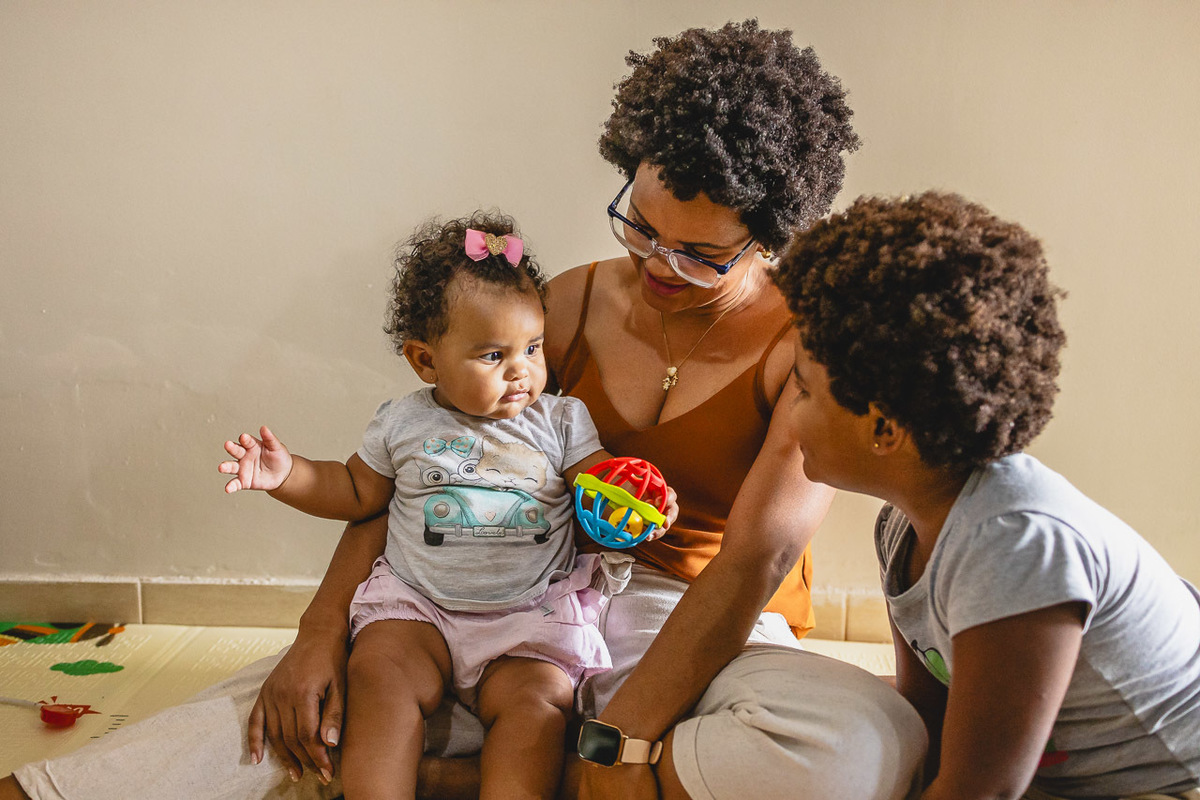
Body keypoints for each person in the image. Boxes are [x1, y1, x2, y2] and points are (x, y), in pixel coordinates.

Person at [4, 20, 926, 800]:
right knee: (299, 695)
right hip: (509, 585)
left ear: (767, 237)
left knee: (866, 737)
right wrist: (318, 631)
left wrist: (628, 738)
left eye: (698, 256)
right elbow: (421, 471)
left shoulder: (807, 345)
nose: (656, 265)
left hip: (687, 608)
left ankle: (486, 755)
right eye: (640, 225)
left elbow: (752, 564)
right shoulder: (560, 307)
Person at [217, 212, 676, 799]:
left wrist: (638, 498)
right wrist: (288, 476)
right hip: (419, 608)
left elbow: (599, 483)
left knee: (539, 706)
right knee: (377, 676)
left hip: (527, 618)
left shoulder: (561, 420)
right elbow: (356, 492)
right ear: (425, 360)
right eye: (492, 355)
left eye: (532, 348)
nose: (521, 371)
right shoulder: (404, 421)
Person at [771, 190, 1200, 800]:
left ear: (885, 429)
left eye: (804, 389)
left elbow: (981, 790)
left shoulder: (1015, 544)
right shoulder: (903, 525)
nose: (789, 413)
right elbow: (926, 727)